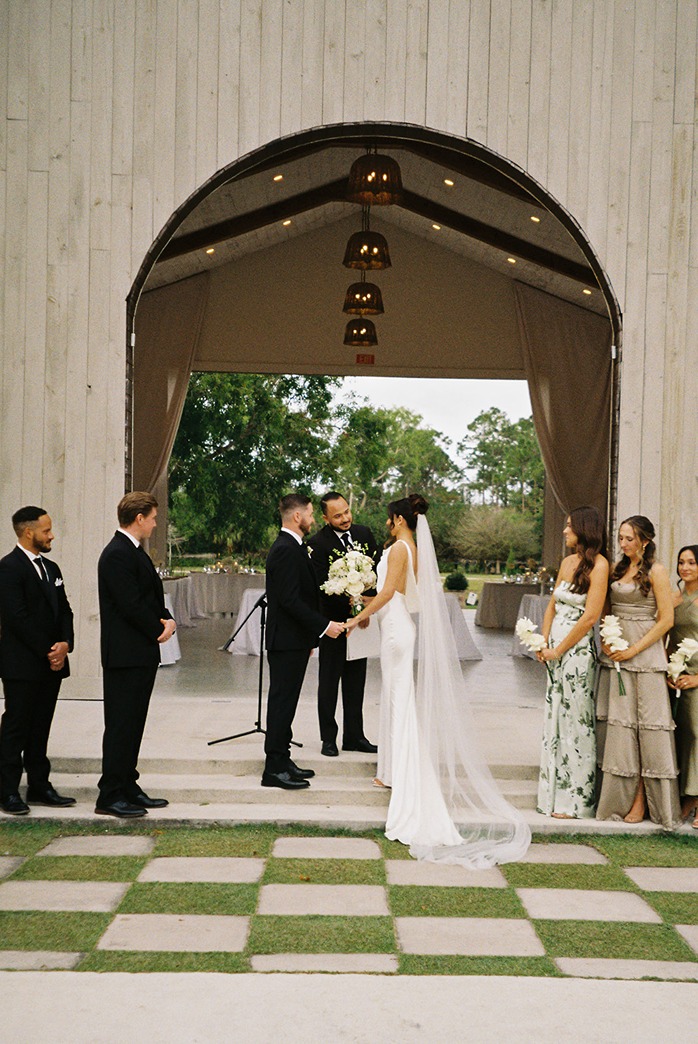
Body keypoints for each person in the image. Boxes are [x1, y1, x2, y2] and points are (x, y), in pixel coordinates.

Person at [346, 494, 530, 868]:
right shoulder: (408, 545)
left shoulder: (400, 547)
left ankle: (401, 776)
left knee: (399, 702)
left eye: (388, 519)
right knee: (397, 700)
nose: (386, 524)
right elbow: (387, 592)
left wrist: (355, 616)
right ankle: (390, 771)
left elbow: (388, 593)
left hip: (396, 629)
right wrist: (354, 593)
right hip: (395, 626)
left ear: (397, 519)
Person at [596, 515, 681, 827]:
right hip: (616, 655)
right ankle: (617, 796)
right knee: (622, 728)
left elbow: (666, 620)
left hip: (644, 657)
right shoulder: (618, 570)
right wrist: (607, 639)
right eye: (620, 538)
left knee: (647, 728)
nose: (623, 544)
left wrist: (633, 650)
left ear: (645, 540)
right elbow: (606, 610)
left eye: (629, 538)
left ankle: (642, 800)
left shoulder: (656, 571)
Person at [96, 491, 176, 818]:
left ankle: (128, 784)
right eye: (154, 518)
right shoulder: (116, 554)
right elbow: (130, 604)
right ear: (139, 518)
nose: (156, 524)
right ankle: (110, 794)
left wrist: (167, 616)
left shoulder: (134, 551)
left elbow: (149, 596)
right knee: (120, 724)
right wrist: (158, 629)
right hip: (125, 655)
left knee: (133, 723)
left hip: (139, 654)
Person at [262, 493, 344, 790]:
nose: (312, 518)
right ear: (297, 517)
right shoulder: (284, 549)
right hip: (285, 641)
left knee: (288, 702)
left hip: (295, 640)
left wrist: (310, 636)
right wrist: (324, 627)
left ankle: (283, 759)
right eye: (310, 513)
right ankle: (273, 767)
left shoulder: (295, 547)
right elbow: (289, 600)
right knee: (281, 702)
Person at [0, 507, 76, 815]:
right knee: (16, 726)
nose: (51, 535)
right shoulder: (8, 568)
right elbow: (16, 618)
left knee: (41, 725)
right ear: (28, 532)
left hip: (51, 663)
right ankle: (7, 791)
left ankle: (39, 786)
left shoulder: (52, 567)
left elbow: (65, 609)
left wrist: (65, 644)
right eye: (46, 530)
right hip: (22, 663)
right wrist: (49, 649)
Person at [535, 506, 609, 819]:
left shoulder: (601, 565)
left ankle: (575, 800)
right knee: (554, 716)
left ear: (583, 529)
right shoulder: (567, 562)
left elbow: (591, 616)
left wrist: (560, 649)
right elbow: (552, 605)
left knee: (575, 719)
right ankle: (550, 796)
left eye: (569, 527)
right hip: (554, 648)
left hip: (577, 652)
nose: (565, 531)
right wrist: (543, 641)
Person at [308, 491, 379, 757]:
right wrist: (329, 622)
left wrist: (366, 605)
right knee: (328, 681)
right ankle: (329, 738)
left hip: (361, 622)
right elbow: (316, 588)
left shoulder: (365, 534)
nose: (345, 518)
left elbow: (377, 572)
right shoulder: (317, 544)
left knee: (356, 680)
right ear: (325, 518)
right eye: (337, 516)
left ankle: (354, 736)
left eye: (347, 512)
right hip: (333, 624)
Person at [668, 544, 698, 823]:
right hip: (677, 675)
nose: (685, 567)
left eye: (691, 562)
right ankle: (685, 795)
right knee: (681, 735)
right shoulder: (675, 597)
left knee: (697, 736)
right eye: (681, 563)